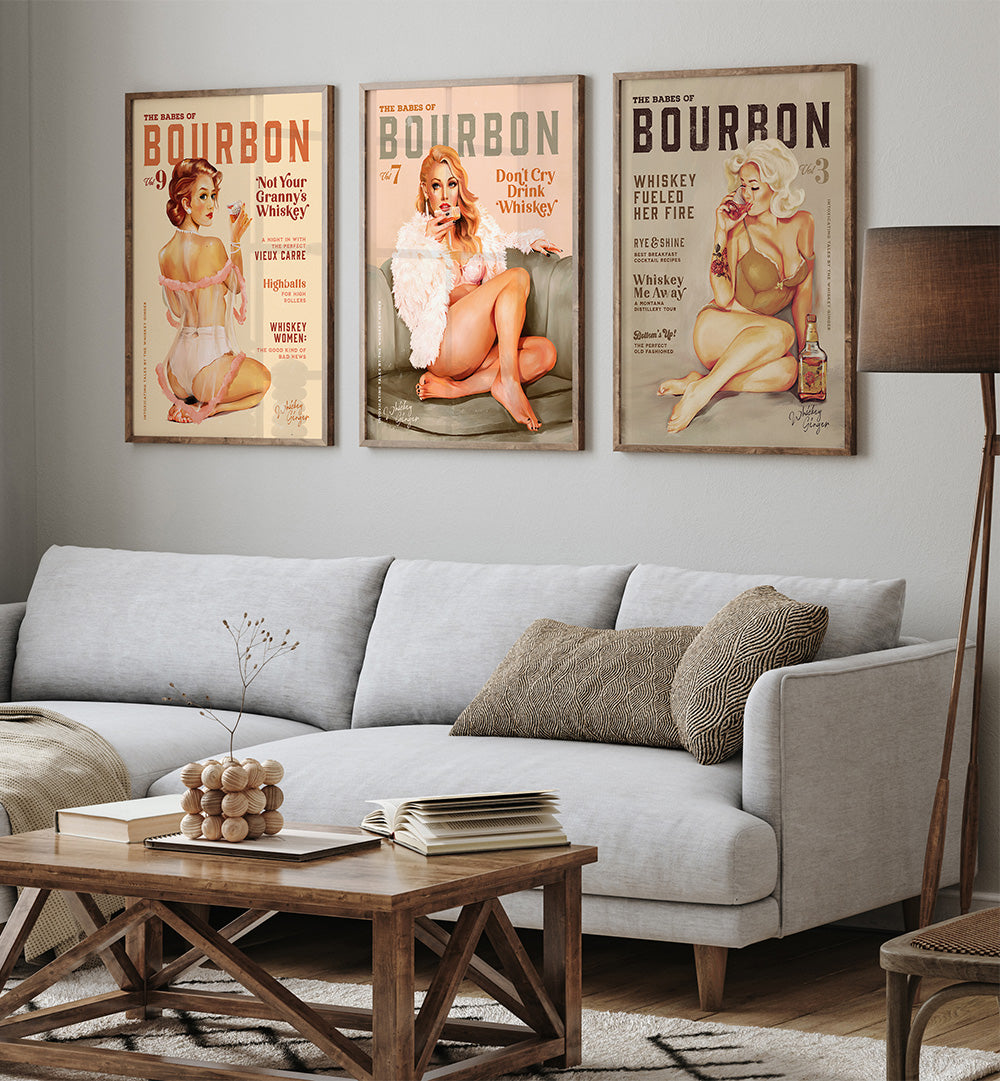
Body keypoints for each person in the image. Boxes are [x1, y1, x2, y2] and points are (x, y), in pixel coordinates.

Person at [390, 145, 561, 432]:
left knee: (546, 352)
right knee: (518, 277)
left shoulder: (478, 233)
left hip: (480, 352)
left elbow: (502, 239)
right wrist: (426, 246)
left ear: (460, 187)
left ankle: (460, 389)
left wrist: (528, 241)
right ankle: (508, 381)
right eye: (436, 185)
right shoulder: (413, 241)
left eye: (452, 184)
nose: (445, 195)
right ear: (426, 190)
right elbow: (411, 304)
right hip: (446, 348)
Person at [657, 139, 815, 434]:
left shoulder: (804, 224)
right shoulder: (739, 231)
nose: (747, 195)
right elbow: (723, 297)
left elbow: (802, 296)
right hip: (718, 329)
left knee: (788, 372)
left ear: (776, 186)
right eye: (742, 186)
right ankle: (701, 396)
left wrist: (809, 354)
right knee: (783, 332)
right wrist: (721, 232)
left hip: (757, 341)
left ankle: (700, 383)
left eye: (754, 187)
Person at [156, 158, 270, 424]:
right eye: (204, 196)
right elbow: (237, 286)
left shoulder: (163, 254)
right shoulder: (212, 245)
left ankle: (189, 403)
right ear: (185, 203)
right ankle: (206, 410)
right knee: (264, 381)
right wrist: (235, 240)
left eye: (214, 196)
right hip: (209, 363)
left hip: (177, 368)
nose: (211, 206)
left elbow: (174, 309)